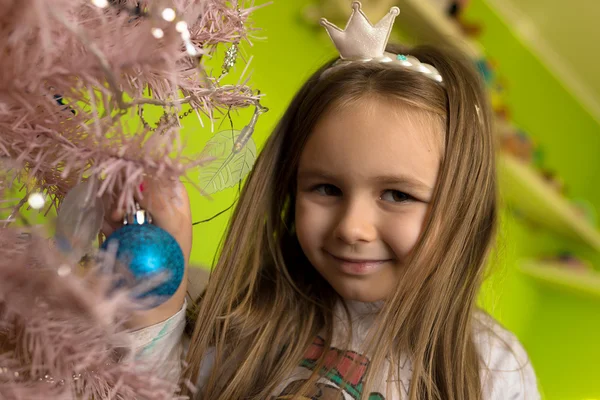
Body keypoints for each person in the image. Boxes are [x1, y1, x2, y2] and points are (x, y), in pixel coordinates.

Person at [106, 2, 540, 399]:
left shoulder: (495, 368)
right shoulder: (246, 315)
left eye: (397, 195)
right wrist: (158, 296)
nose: (352, 227)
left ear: (463, 209)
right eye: (327, 189)